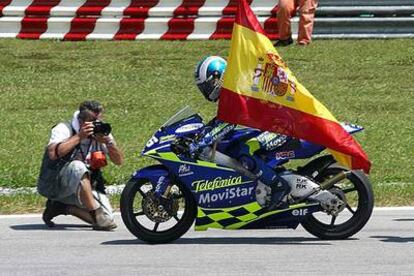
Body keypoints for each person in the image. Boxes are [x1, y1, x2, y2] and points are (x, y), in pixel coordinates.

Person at [191, 56, 291, 210]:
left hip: (281, 127)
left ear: (217, 77)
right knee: (234, 146)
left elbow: (229, 123)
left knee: (246, 150)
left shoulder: (236, 91)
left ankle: (278, 186)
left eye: (207, 85)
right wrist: (203, 131)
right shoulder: (231, 91)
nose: (206, 90)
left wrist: (203, 141)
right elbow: (222, 119)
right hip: (271, 126)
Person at [37, 100, 124, 230]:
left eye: (99, 120)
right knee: (78, 167)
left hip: (86, 185)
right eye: (93, 121)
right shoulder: (63, 128)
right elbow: (53, 154)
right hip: (55, 183)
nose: (97, 124)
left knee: (108, 218)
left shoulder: (100, 131)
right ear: (82, 120)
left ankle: (62, 207)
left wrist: (109, 143)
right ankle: (95, 212)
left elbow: (119, 161)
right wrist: (80, 136)